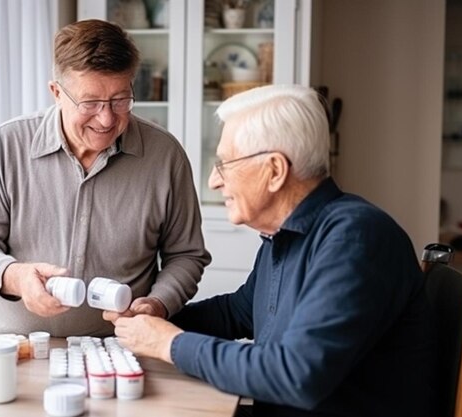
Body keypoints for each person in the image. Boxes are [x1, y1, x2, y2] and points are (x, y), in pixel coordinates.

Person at [107, 84, 436, 416]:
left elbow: (296, 375)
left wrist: (168, 344)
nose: (213, 181)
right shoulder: (284, 236)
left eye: (224, 164)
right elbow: (237, 312)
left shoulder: (356, 239)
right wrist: (156, 317)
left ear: (275, 170)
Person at [0, 19, 210, 336]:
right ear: (56, 92)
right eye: (90, 103)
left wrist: (158, 303)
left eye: (120, 100)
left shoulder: (165, 155)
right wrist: (16, 276)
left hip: (122, 350)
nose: (106, 118)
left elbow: (186, 255)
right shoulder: (7, 145)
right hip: (15, 348)